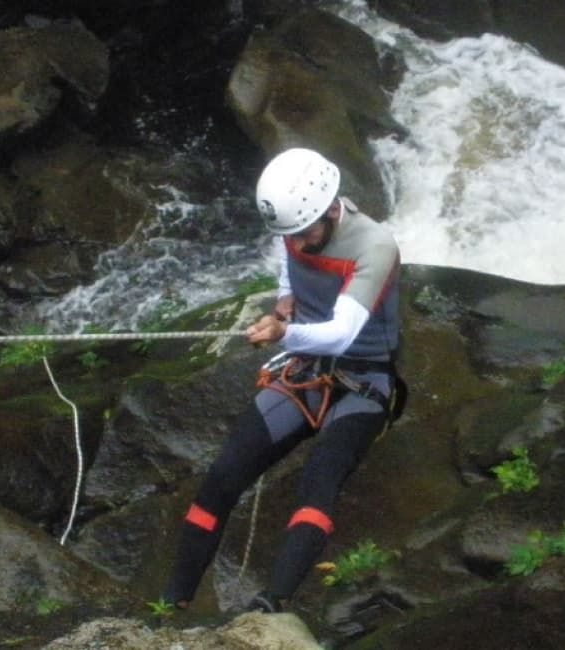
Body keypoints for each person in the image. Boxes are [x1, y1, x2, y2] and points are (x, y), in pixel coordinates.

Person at [162, 147, 403, 614]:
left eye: (307, 231)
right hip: (307, 372)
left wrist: (282, 332)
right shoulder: (297, 226)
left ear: (332, 208)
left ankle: (271, 606)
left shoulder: (375, 246)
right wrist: (286, 297)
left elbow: (341, 333)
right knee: (223, 476)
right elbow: (285, 251)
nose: (301, 241)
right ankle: (170, 604)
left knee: (319, 482)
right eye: (293, 233)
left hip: (364, 379)